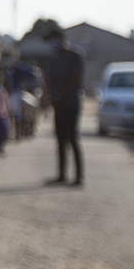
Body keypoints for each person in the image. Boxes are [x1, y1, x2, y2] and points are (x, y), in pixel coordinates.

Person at [46, 28, 85, 186]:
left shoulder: (75, 55)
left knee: (72, 139)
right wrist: (52, 97)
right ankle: (62, 174)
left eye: (53, 40)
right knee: (60, 139)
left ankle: (79, 177)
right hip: (58, 105)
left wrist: (60, 96)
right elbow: (51, 80)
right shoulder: (55, 59)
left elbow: (75, 79)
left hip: (70, 104)